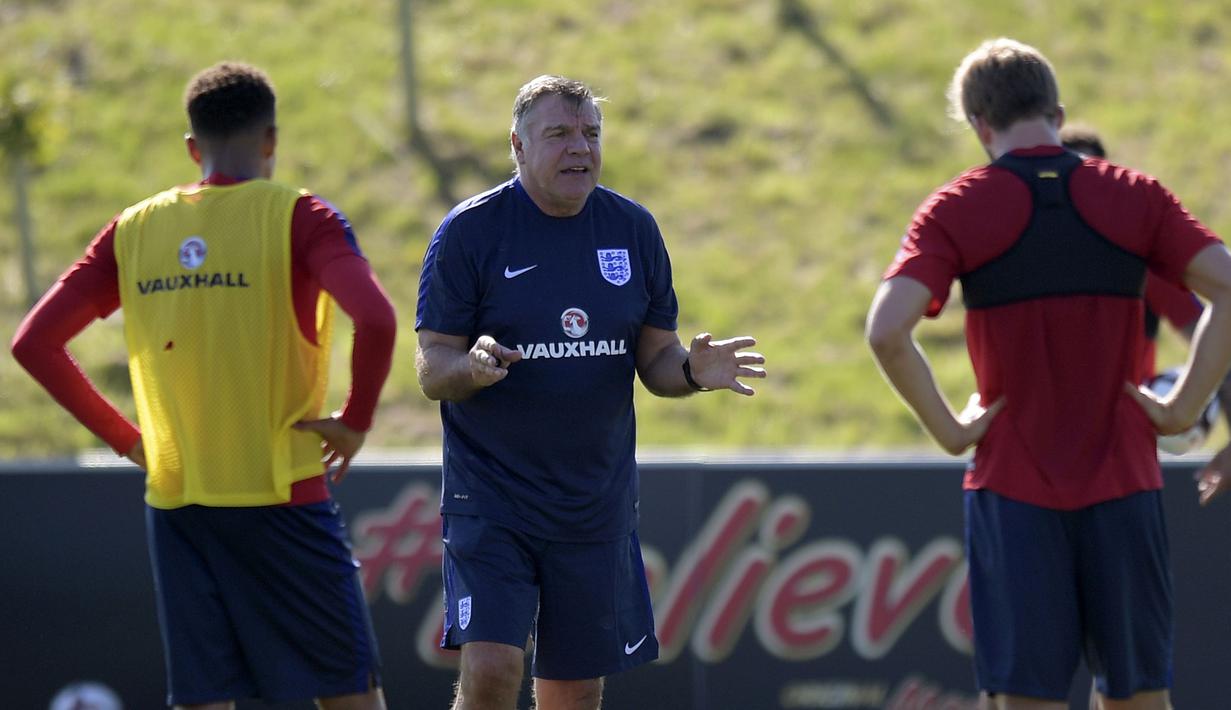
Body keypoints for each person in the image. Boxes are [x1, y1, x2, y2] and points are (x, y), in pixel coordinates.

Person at [10, 62, 396, 709]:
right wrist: (355, 420)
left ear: (193, 148)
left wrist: (129, 441)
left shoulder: (134, 229)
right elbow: (378, 319)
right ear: (270, 140)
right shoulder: (302, 216)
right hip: (283, 497)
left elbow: (34, 344)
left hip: (179, 503)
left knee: (203, 700)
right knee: (349, 697)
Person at [865, 38, 1231, 710]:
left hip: (1012, 489)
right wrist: (1184, 408)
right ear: (1056, 112)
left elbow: (886, 331)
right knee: (1137, 700)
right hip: (1123, 486)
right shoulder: (1134, 196)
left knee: (1022, 701)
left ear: (979, 125)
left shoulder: (955, 208)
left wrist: (950, 429)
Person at [414, 74, 766, 710]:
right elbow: (431, 366)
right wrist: (471, 367)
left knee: (573, 693)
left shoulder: (633, 230)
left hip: (592, 503)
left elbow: (656, 358)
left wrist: (689, 370)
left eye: (590, 133)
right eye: (559, 134)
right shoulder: (471, 232)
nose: (580, 147)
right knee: (492, 669)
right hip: (493, 498)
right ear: (517, 147)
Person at [1062, 124, 1231, 507]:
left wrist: (1185, 411)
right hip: (1038, 450)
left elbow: (1220, 336)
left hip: (1123, 456)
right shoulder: (1019, 255)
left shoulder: (1138, 261)